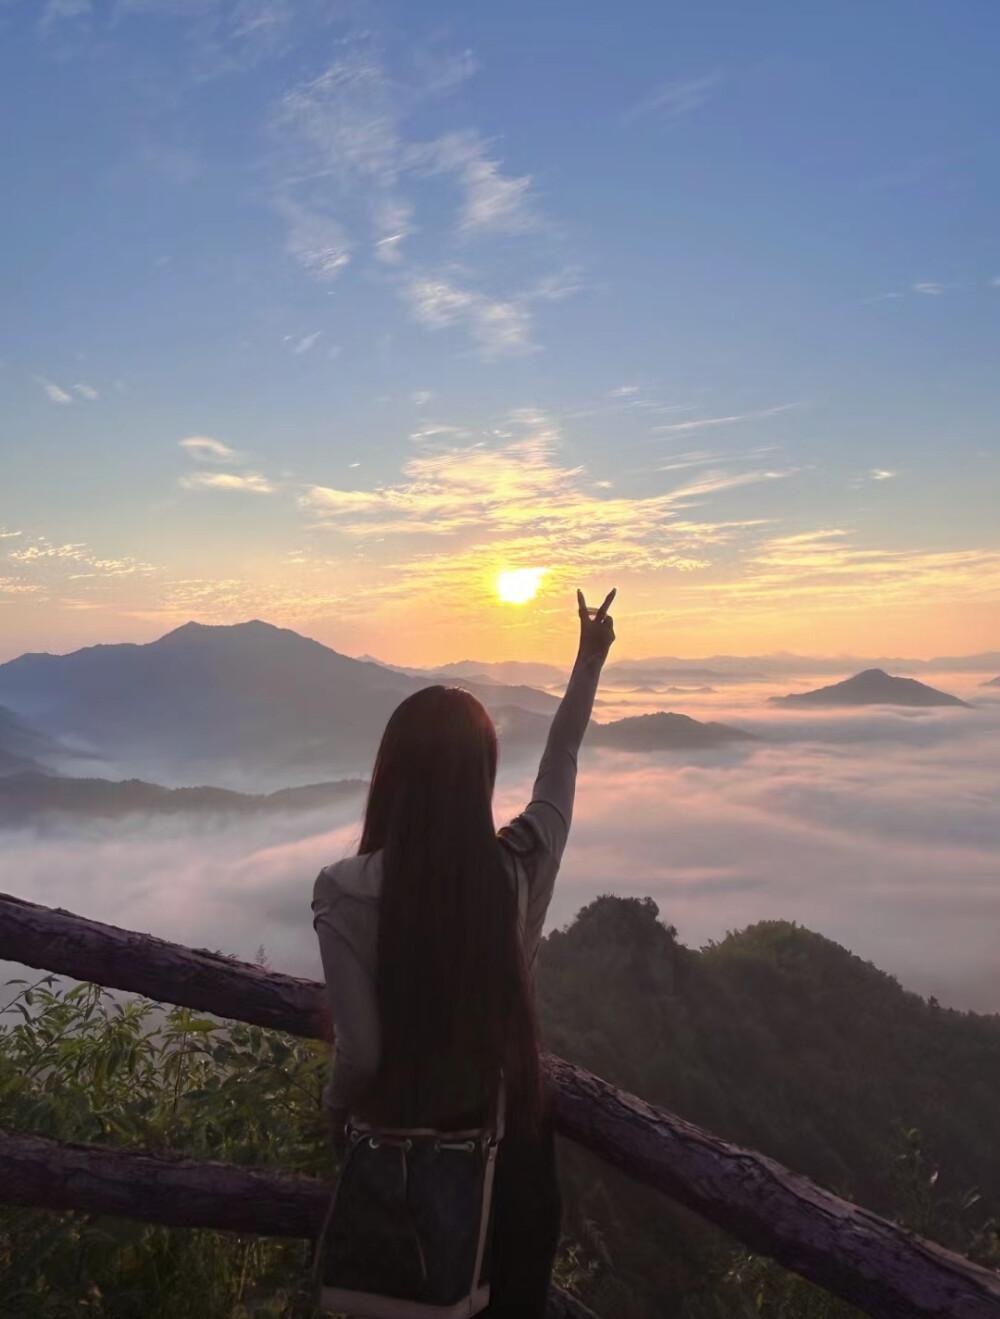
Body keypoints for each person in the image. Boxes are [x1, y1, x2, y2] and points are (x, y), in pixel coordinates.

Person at [311, 587, 616, 1317]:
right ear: (480, 776)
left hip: (398, 1167)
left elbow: (360, 1056)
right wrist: (589, 659)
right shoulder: (515, 872)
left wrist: (331, 1111)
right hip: (508, 1164)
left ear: (393, 772)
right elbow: (561, 759)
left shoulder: (343, 891)